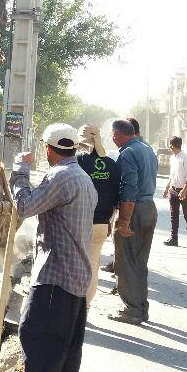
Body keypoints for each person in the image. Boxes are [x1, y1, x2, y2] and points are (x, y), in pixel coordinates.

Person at [0, 124, 97, 372]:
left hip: (55, 273)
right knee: (68, 343)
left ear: (50, 149)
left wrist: (20, 171)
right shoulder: (84, 179)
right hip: (77, 275)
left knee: (35, 334)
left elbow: (26, 206)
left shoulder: (61, 176)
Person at [109, 118, 158, 325]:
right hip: (149, 208)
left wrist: (124, 220)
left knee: (126, 262)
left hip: (135, 210)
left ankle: (132, 310)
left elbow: (129, 187)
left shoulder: (127, 153)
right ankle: (141, 307)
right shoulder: (146, 149)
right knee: (140, 262)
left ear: (117, 135)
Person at [75, 124, 119, 306]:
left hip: (78, 223)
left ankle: (74, 309)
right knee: (93, 266)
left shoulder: (76, 162)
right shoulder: (110, 164)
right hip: (102, 224)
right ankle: (86, 307)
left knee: (75, 267)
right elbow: (117, 196)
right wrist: (111, 221)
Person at [163, 136, 187, 248]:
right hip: (173, 190)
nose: (170, 147)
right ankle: (173, 239)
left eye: (170, 145)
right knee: (174, 215)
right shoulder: (173, 158)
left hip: (184, 191)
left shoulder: (185, 158)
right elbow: (171, 176)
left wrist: (184, 190)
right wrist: (167, 188)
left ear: (172, 145)